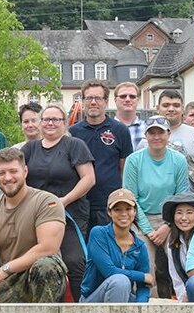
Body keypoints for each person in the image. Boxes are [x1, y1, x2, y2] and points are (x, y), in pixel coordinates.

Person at [0, 147, 68, 303]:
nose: (8, 177)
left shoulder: (47, 202)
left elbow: (48, 248)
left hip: (39, 277)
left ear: (25, 171)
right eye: (1, 173)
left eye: (13, 171)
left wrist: (5, 269)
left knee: (46, 265)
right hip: (9, 283)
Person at [21, 103, 94, 292]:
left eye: (55, 119)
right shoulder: (30, 148)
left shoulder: (74, 145)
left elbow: (89, 179)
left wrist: (64, 200)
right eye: (46, 119)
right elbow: (18, 177)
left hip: (70, 215)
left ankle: (79, 303)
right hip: (37, 217)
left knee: (75, 261)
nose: (50, 123)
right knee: (34, 261)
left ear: (64, 123)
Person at [121, 115, 189, 295]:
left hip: (171, 219)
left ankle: (184, 298)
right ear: (146, 135)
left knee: (179, 259)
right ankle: (146, 301)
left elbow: (182, 196)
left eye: (161, 132)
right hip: (141, 218)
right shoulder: (134, 160)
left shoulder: (179, 160)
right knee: (145, 263)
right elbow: (131, 199)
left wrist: (168, 225)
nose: (156, 137)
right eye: (152, 133)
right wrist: (148, 230)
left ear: (168, 134)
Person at [69, 80, 132, 235]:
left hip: (109, 204)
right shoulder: (72, 133)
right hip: (80, 204)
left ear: (106, 101)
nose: (93, 102)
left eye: (98, 98)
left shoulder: (120, 130)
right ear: (83, 101)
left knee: (109, 245)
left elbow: (124, 169)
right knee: (82, 247)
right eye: (89, 98)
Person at [79, 189, 152, 303]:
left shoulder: (140, 246)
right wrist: (142, 276)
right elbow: (109, 271)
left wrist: (140, 307)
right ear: (109, 212)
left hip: (124, 298)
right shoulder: (98, 233)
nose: (123, 214)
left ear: (135, 211)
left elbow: (144, 286)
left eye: (128, 209)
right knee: (120, 281)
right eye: (117, 209)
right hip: (92, 301)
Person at [159, 88, 194, 194]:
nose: (171, 109)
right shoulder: (147, 137)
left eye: (176, 105)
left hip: (189, 199)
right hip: (155, 200)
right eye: (166, 105)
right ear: (157, 108)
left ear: (182, 109)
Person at [160, 192, 194, 302]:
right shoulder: (173, 242)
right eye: (179, 213)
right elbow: (176, 277)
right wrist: (183, 298)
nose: (184, 218)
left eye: (189, 212)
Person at [112, 82, 145, 150]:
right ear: (115, 100)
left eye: (132, 96)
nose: (127, 99)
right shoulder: (106, 130)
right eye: (123, 96)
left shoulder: (148, 128)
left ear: (138, 100)